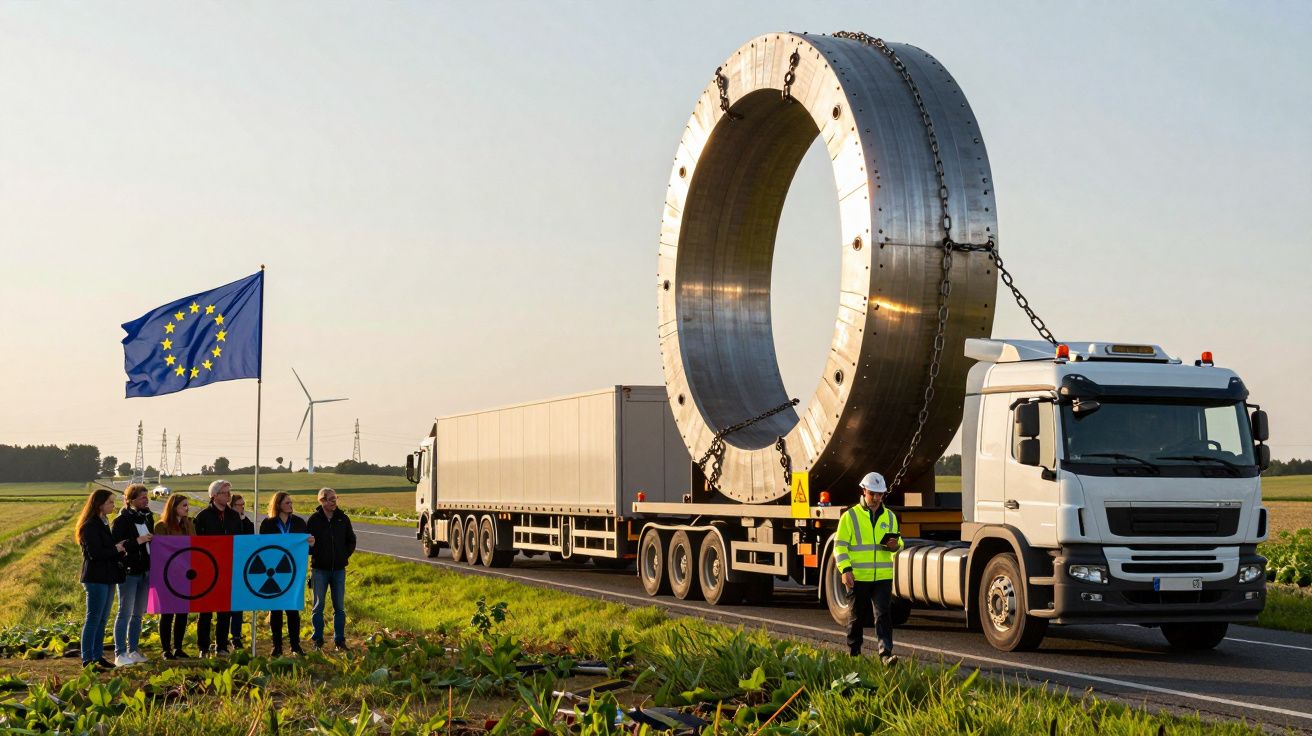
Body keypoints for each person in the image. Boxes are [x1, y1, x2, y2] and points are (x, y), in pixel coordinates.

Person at [834, 471, 904, 665]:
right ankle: (854, 654)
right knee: (857, 617)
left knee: (883, 614)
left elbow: (899, 542)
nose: (876, 498)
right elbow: (839, 545)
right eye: (872, 493)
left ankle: (885, 654)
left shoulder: (890, 516)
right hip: (858, 576)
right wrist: (845, 569)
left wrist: (896, 545)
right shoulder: (850, 516)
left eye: (880, 494)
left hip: (882, 575)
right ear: (864, 491)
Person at [76, 488, 127, 671]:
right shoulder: (90, 526)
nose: (113, 505)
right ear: (100, 505)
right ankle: (87, 658)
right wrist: (116, 549)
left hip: (107, 576)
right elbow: (95, 553)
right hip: (95, 577)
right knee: (93, 618)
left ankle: (97, 656)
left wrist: (117, 549)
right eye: (110, 502)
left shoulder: (104, 522)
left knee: (103, 618)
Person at [259, 491, 313, 656]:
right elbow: (263, 547)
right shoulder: (268, 524)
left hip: (293, 571)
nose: (291, 505)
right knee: (275, 610)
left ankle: (295, 646)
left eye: (291, 502)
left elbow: (306, 548)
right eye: (287, 503)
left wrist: (311, 543)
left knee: (292, 609)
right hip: (273, 572)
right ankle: (277, 646)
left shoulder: (298, 522)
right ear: (278, 505)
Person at [193, 479, 243, 656]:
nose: (229, 495)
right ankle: (203, 647)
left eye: (229, 492)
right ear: (214, 495)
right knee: (205, 612)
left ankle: (221, 646)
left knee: (225, 611)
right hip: (207, 570)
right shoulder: (202, 517)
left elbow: (240, 540)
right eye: (225, 492)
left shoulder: (234, 516)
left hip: (228, 569)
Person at [306, 487, 355, 650]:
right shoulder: (313, 520)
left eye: (335, 499)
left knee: (339, 607)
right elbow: (308, 545)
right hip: (319, 570)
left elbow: (351, 540)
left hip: (339, 570)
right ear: (322, 501)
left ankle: (339, 640)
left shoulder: (343, 519)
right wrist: (314, 551)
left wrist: (343, 556)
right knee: (318, 606)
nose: (334, 502)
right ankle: (317, 640)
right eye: (331, 499)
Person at [110, 484, 154, 666]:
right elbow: (117, 546)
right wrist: (138, 541)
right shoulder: (121, 521)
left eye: (147, 497)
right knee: (124, 612)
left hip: (145, 570)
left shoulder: (147, 518)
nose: (146, 500)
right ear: (131, 500)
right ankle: (120, 652)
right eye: (143, 497)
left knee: (138, 614)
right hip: (129, 572)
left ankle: (133, 649)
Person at [153, 493, 195, 659]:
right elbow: (160, 551)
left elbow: (195, 544)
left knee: (182, 612)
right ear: (174, 507)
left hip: (185, 575)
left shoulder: (189, 524)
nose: (187, 508)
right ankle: (166, 649)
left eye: (187, 505)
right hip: (167, 575)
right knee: (167, 613)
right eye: (183, 505)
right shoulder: (161, 527)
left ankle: (178, 647)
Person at [227, 493, 256, 649]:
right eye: (239, 505)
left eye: (244, 505)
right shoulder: (226, 522)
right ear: (232, 506)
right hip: (226, 566)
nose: (242, 508)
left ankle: (236, 636)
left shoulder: (247, 523)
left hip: (241, 567)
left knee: (238, 604)